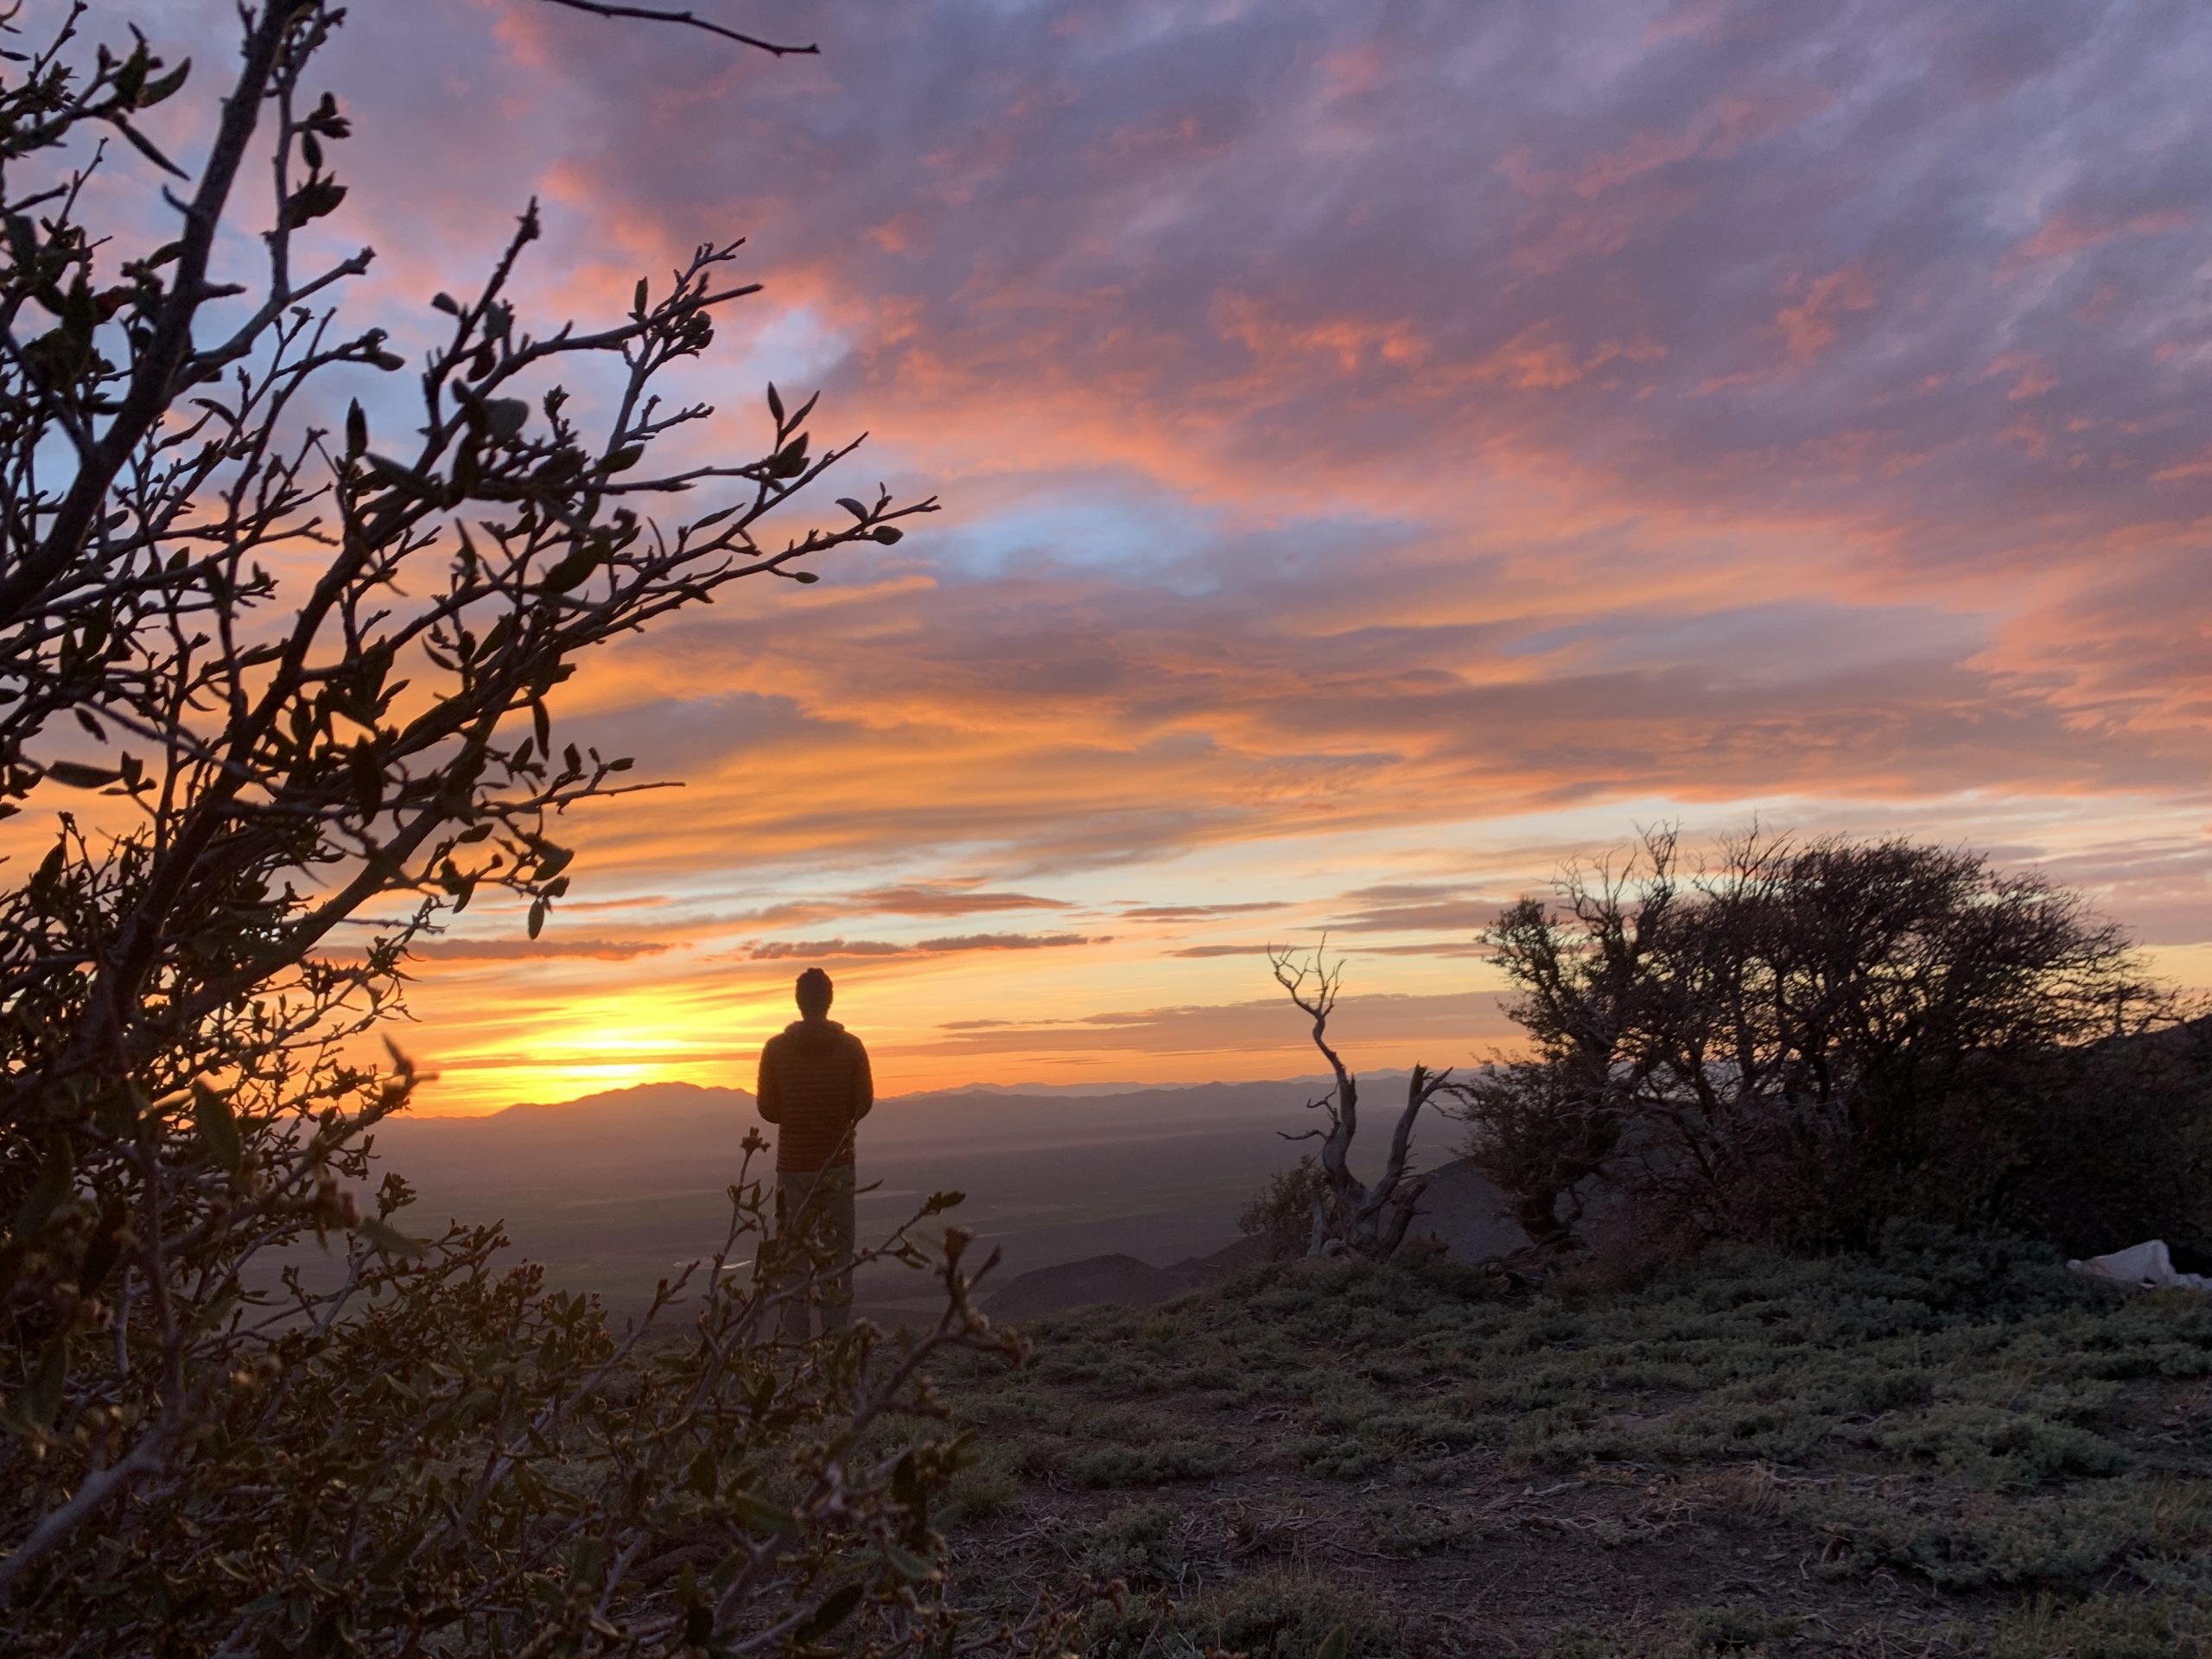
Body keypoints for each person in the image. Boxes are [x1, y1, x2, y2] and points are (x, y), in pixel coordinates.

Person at [754, 967, 873, 1340]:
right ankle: (835, 1339)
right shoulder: (852, 1047)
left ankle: (795, 1342)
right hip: (838, 1163)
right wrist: (835, 1119)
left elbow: (768, 1110)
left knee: (793, 1255)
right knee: (838, 1252)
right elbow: (863, 1104)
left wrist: (798, 1111)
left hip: (793, 1166)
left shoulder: (775, 1049)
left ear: (798, 1001)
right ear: (829, 1000)